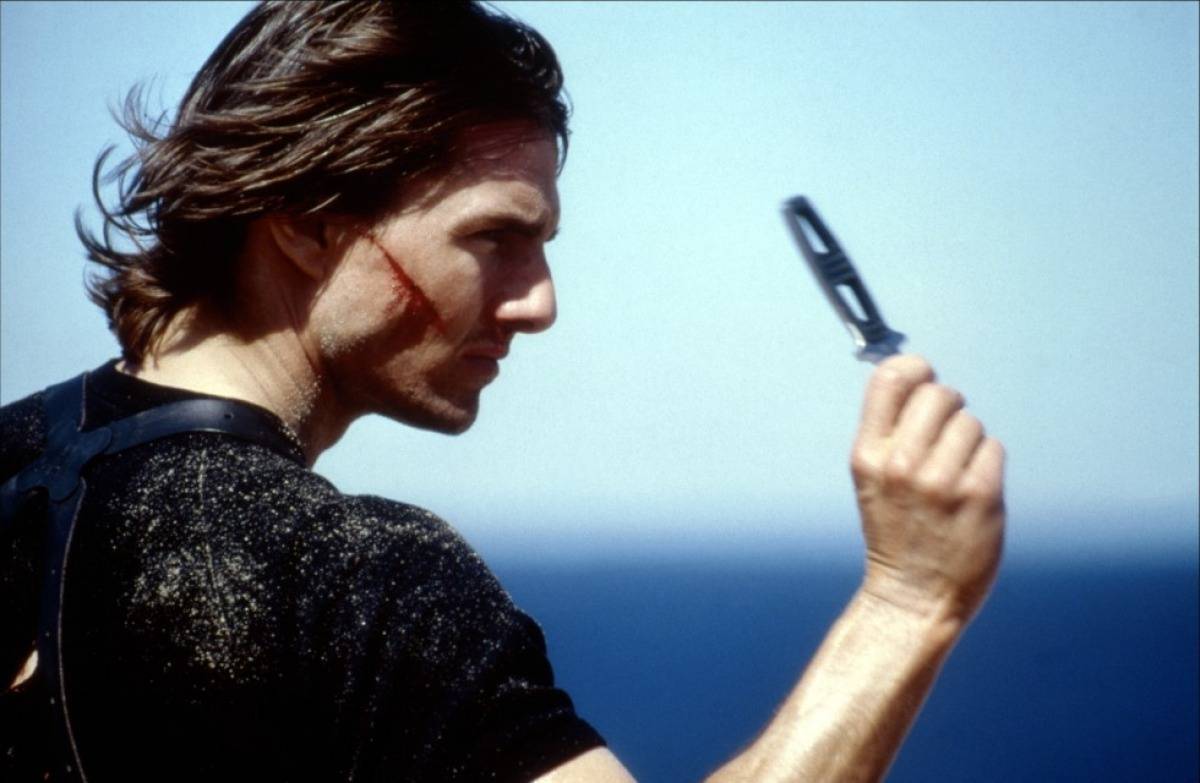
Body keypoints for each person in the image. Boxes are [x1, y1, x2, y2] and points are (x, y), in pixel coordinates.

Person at [0, 2, 1006, 781]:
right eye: (495, 238)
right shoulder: (356, 580)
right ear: (306, 223)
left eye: (543, 244)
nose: (540, 304)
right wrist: (907, 602)